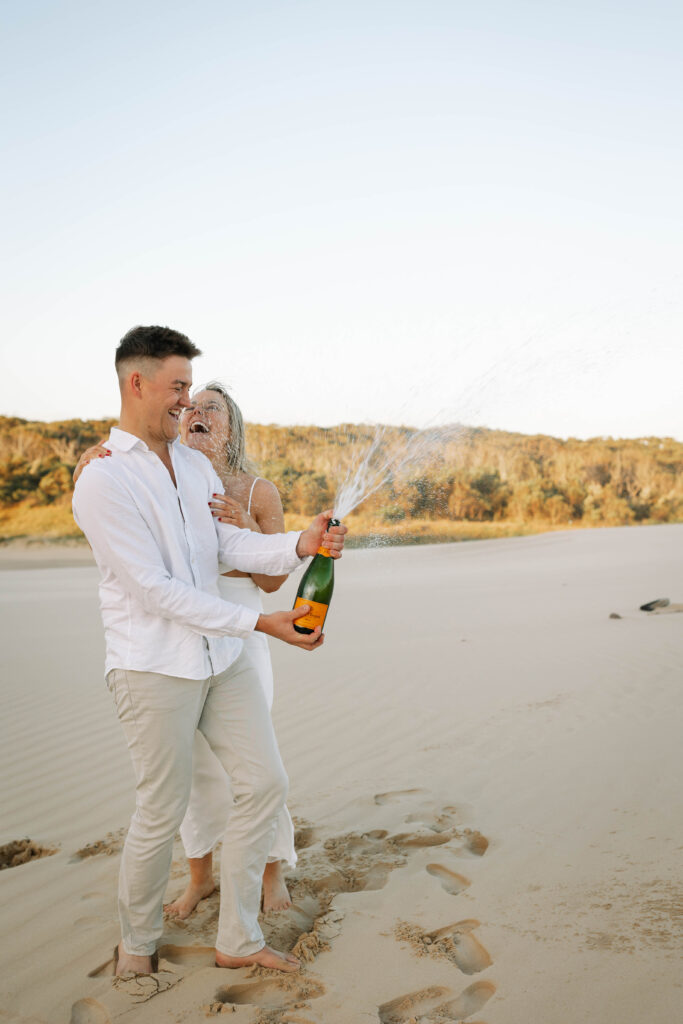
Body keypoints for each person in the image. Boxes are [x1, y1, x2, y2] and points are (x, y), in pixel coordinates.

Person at [72, 325, 346, 977]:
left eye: (191, 389)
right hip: (152, 669)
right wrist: (261, 626)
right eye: (176, 388)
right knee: (160, 809)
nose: (186, 403)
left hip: (222, 664)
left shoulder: (194, 467)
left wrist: (299, 546)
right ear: (136, 383)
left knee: (264, 784)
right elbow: (156, 590)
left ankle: (239, 939)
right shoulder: (102, 483)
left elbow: (225, 551)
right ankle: (136, 947)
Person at [78, 383, 297, 916]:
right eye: (191, 405)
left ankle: (272, 873)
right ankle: (200, 875)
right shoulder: (149, 475)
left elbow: (271, 584)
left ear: (231, 426)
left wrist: (243, 530)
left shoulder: (256, 489)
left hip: (246, 631)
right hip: (175, 639)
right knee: (194, 768)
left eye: (212, 408)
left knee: (258, 761)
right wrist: (86, 468)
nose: (197, 412)